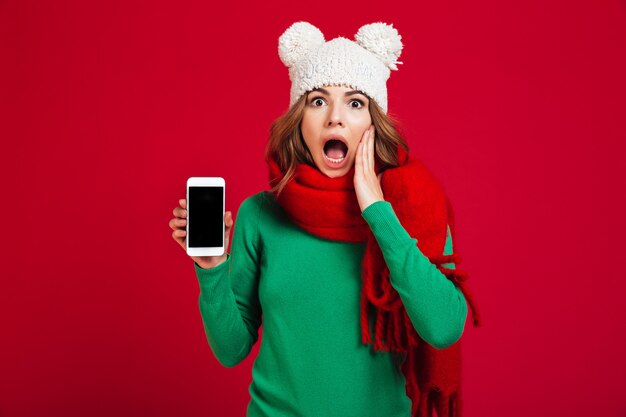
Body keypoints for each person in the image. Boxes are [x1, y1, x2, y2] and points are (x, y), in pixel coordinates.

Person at [169, 21, 481, 417]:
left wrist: (378, 213)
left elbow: (443, 328)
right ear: (300, 119)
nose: (335, 118)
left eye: (355, 103)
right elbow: (231, 351)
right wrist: (211, 268)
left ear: (373, 122)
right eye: (317, 101)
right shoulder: (261, 214)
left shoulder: (413, 211)